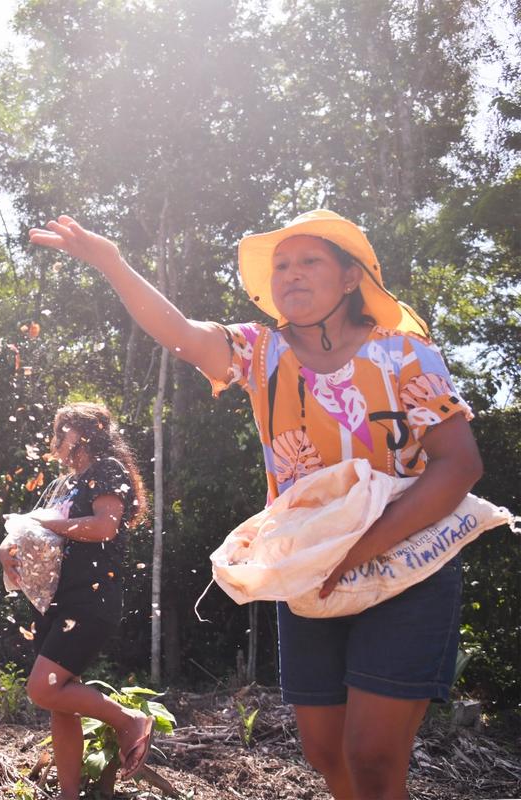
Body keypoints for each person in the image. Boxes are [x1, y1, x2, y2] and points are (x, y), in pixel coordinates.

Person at [30, 210, 482, 800]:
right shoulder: (261, 350)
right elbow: (181, 333)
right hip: (308, 567)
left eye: (309, 261)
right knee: (324, 751)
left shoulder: (404, 354)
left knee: (372, 755)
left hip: (405, 564)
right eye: (282, 266)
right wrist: (112, 262)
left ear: (350, 278)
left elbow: (460, 464)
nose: (291, 275)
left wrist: (363, 546)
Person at [0, 401, 151, 799]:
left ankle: (129, 720)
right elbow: (32, 528)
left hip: (91, 600)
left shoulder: (106, 471)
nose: (53, 442)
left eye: (59, 432)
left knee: (41, 689)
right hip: (60, 603)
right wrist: (5, 549)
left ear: (81, 434)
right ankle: (69, 794)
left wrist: (53, 524)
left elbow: (104, 526)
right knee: (61, 699)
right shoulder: (69, 484)